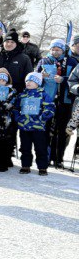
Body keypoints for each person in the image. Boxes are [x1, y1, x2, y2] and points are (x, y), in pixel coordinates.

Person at [37, 39, 77, 168]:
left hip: (65, 101)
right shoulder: (44, 61)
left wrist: (63, 80)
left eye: (58, 49)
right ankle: (45, 156)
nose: (55, 52)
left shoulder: (71, 61)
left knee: (61, 130)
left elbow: (74, 79)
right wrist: (40, 76)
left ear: (63, 50)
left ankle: (58, 158)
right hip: (47, 100)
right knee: (46, 129)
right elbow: (34, 77)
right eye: (53, 49)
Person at [17, 71, 55, 176]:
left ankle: (42, 167)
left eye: (32, 81)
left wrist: (43, 117)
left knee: (40, 147)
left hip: (38, 127)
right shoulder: (22, 95)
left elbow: (50, 108)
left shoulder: (43, 95)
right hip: (24, 127)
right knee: (25, 147)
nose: (28, 83)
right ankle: (25, 165)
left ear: (38, 83)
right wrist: (18, 118)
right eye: (27, 81)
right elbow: (15, 108)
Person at [0, 29, 33, 93]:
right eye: (7, 41)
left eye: (12, 42)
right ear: (3, 42)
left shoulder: (24, 59)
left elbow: (28, 79)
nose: (9, 44)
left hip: (15, 96)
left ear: (16, 43)